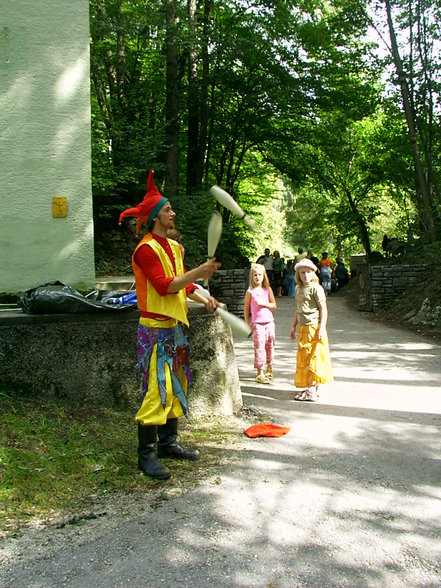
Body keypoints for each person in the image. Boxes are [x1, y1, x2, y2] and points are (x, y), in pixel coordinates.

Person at [119, 169, 221, 480]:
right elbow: (164, 286)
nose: (172, 212)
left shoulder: (174, 248)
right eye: (167, 209)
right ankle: (145, 455)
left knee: (177, 385)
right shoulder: (145, 251)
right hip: (153, 329)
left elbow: (184, 283)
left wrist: (204, 297)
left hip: (174, 328)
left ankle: (168, 444)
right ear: (154, 217)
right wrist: (200, 272)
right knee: (155, 389)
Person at [289, 257, 333, 402]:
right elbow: (298, 309)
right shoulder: (298, 288)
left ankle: (312, 389)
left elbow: (323, 310)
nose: (305, 275)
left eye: (308, 272)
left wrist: (321, 328)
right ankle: (308, 387)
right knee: (304, 358)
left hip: (314, 328)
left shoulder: (316, 288)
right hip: (302, 328)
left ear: (313, 273)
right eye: (302, 273)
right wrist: (293, 325)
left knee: (313, 358)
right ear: (298, 274)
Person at [243, 264, 277, 384]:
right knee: (259, 347)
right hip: (257, 323)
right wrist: (247, 324)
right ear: (251, 277)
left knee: (270, 345)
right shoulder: (250, 292)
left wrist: (263, 303)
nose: (257, 277)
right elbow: (246, 309)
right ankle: (259, 371)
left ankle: (269, 366)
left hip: (269, 322)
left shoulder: (267, 290)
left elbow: (274, 305)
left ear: (264, 276)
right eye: (255, 275)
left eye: (259, 275)